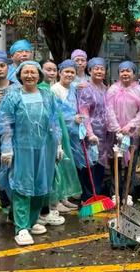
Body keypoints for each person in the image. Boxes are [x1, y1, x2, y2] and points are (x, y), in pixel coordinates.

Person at [0, 61, 62, 246]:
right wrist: (7, 147)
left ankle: (31, 222)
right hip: (21, 148)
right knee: (22, 186)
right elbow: (4, 122)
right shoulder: (13, 96)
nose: (30, 76)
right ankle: (21, 228)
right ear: (19, 75)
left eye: (33, 72)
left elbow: (54, 121)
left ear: (39, 75)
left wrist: (58, 144)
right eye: (26, 72)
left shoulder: (47, 95)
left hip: (45, 149)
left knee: (41, 186)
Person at [106, 61, 140, 205]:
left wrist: (131, 125)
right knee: (114, 163)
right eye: (122, 71)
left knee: (131, 163)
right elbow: (108, 110)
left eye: (128, 71)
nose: (125, 73)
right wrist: (117, 128)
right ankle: (115, 193)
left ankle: (128, 193)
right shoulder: (112, 89)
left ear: (134, 74)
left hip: (132, 133)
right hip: (115, 133)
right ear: (119, 74)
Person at [50, 60, 84, 211]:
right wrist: (72, 118)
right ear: (60, 73)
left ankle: (65, 198)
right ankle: (56, 200)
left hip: (72, 133)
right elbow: (55, 113)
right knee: (58, 165)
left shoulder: (74, 89)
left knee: (67, 164)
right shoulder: (55, 90)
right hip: (59, 132)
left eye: (72, 72)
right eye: (66, 72)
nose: (69, 75)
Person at [78, 57, 109, 198]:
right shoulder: (86, 89)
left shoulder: (106, 89)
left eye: (102, 68)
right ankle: (88, 196)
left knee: (101, 165)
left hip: (105, 134)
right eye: (96, 68)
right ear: (89, 71)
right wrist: (90, 133)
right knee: (89, 165)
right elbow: (84, 112)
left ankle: (98, 194)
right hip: (91, 134)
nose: (99, 71)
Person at [0, 50, 14, 226]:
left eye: (2, 65)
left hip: (12, 137)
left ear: (8, 67)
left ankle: (15, 209)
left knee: (14, 172)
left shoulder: (16, 88)